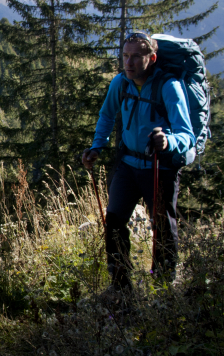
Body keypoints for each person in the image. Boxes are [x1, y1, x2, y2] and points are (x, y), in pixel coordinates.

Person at [82, 31, 194, 294]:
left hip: (161, 167)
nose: (129, 63)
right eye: (125, 56)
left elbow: (186, 134)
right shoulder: (120, 83)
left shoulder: (169, 87)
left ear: (152, 58)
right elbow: (107, 116)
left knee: (163, 228)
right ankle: (121, 287)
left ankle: (165, 286)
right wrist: (97, 146)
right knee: (114, 222)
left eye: (136, 57)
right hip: (129, 164)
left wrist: (168, 141)